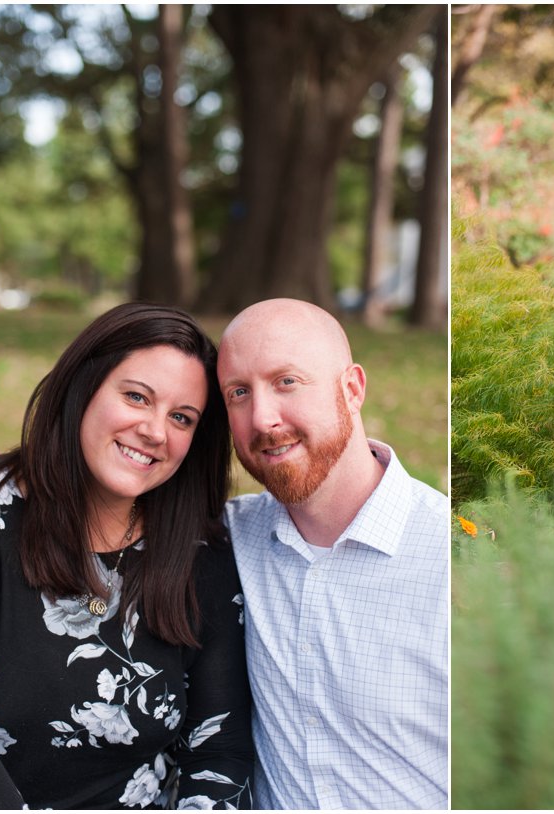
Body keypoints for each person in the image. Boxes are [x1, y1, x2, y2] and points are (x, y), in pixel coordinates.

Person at [0, 304, 254, 809]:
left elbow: (218, 748)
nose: (156, 432)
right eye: (137, 397)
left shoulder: (199, 553)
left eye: (181, 418)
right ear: (82, 387)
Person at [216, 298, 448, 810]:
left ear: (352, 389)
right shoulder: (229, 539)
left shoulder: (450, 558)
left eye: (287, 382)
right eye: (238, 393)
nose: (262, 418)